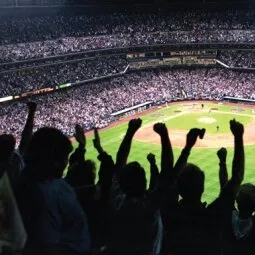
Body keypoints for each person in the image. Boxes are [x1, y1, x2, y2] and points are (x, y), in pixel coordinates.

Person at [16, 127, 91, 255]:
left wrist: (81, 147)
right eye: (64, 158)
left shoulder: (47, 180)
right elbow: (48, 246)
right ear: (52, 161)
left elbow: (66, 185)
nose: (66, 163)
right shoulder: (41, 198)